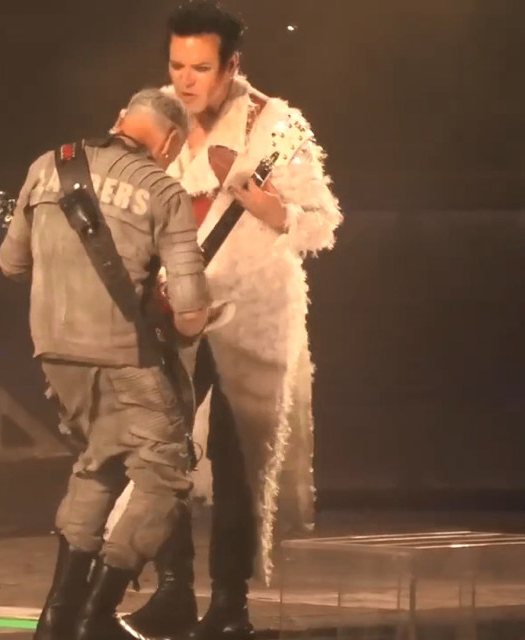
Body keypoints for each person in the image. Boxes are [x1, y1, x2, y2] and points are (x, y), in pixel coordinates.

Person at [123, 3, 343, 640]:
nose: (185, 80)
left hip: (251, 314)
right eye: (177, 65)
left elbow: (322, 222)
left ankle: (228, 603)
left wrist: (273, 210)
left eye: (201, 68)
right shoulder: (156, 113)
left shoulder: (275, 126)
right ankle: (171, 591)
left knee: (237, 455)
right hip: (173, 308)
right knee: (162, 450)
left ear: (231, 66)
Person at [0, 88, 210, 640]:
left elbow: (11, 264)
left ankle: (57, 618)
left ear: (121, 119)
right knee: (165, 476)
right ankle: (96, 616)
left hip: (54, 351)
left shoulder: (48, 165)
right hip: (122, 356)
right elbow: (190, 316)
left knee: (99, 465)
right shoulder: (163, 189)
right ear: (170, 141)